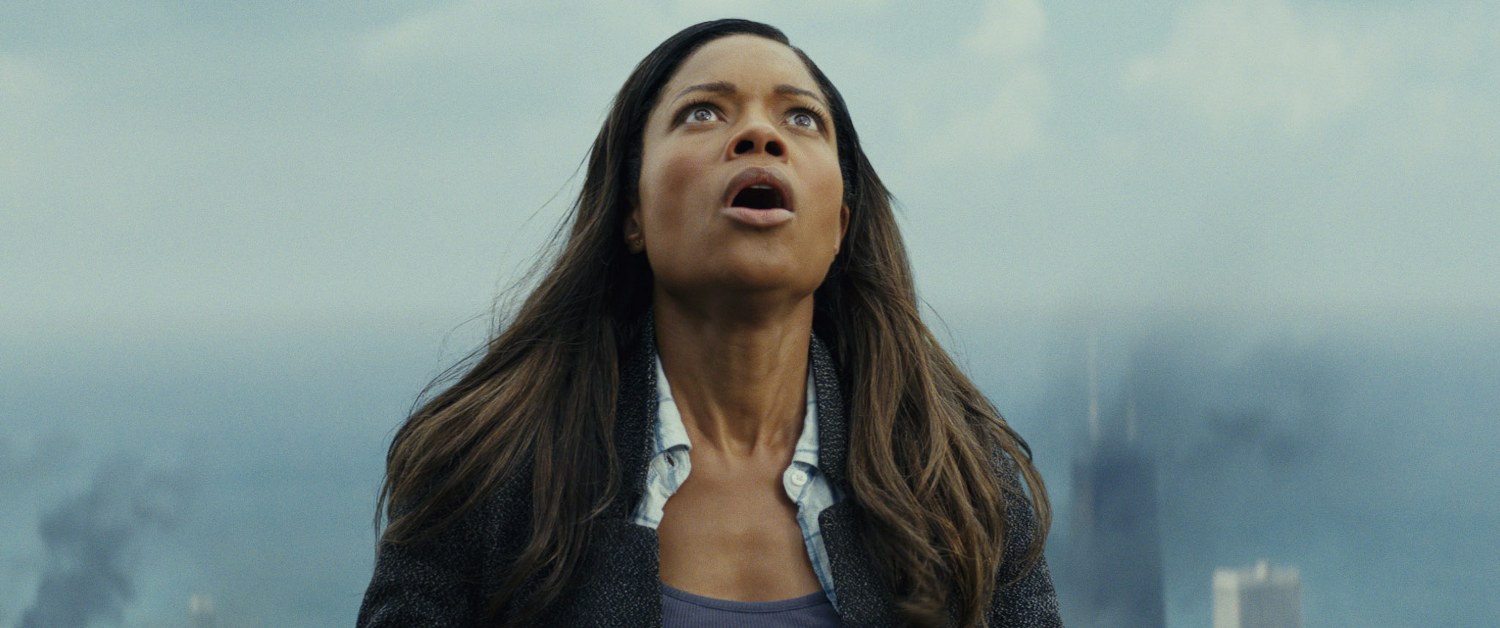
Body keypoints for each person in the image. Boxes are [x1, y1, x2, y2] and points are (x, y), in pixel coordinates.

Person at [358, 18, 1061, 627]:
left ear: (840, 226)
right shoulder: (484, 472)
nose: (760, 133)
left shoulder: (959, 485)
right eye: (703, 112)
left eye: (801, 118)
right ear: (631, 212)